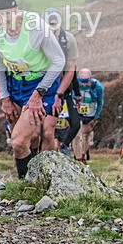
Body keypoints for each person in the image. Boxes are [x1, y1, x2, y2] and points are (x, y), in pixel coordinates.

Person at [0, 0, 65, 179]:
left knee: (19, 141)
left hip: (39, 84)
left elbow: (59, 60)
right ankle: (34, 178)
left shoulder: (37, 27)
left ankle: (27, 185)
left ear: (16, 10)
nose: (2, 20)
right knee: (30, 137)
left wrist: (39, 93)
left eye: (6, 14)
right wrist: (4, 98)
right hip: (13, 84)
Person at [44, 8, 81, 156]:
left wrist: (76, 94)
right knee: (46, 131)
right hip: (44, 90)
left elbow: (72, 69)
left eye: (55, 23)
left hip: (64, 90)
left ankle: (64, 146)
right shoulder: (38, 38)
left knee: (75, 123)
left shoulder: (68, 39)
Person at [71, 68, 103, 163]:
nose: (84, 84)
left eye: (86, 81)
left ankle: (83, 156)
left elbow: (100, 102)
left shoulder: (97, 86)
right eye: (82, 82)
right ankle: (78, 158)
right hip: (77, 113)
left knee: (85, 136)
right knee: (77, 136)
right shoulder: (74, 84)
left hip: (90, 114)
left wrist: (96, 117)